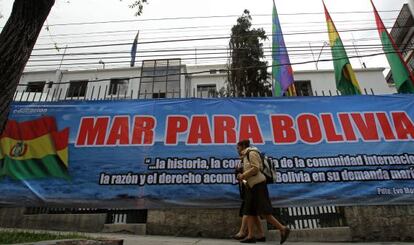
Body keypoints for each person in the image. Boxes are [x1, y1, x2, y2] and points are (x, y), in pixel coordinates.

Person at [236, 139, 290, 244]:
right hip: (250, 186)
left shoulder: (251, 153)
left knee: (264, 212)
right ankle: (251, 236)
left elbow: (256, 168)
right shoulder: (244, 156)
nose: (237, 150)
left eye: (238, 147)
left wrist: (243, 175)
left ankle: (283, 229)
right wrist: (241, 176)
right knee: (249, 211)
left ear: (243, 146)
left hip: (258, 186)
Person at [232, 161, 265, 242]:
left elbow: (247, 180)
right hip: (250, 189)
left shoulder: (250, 159)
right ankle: (261, 234)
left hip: (252, 189)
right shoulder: (244, 161)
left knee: (247, 211)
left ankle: (243, 232)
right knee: (254, 213)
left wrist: (242, 176)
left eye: (238, 148)